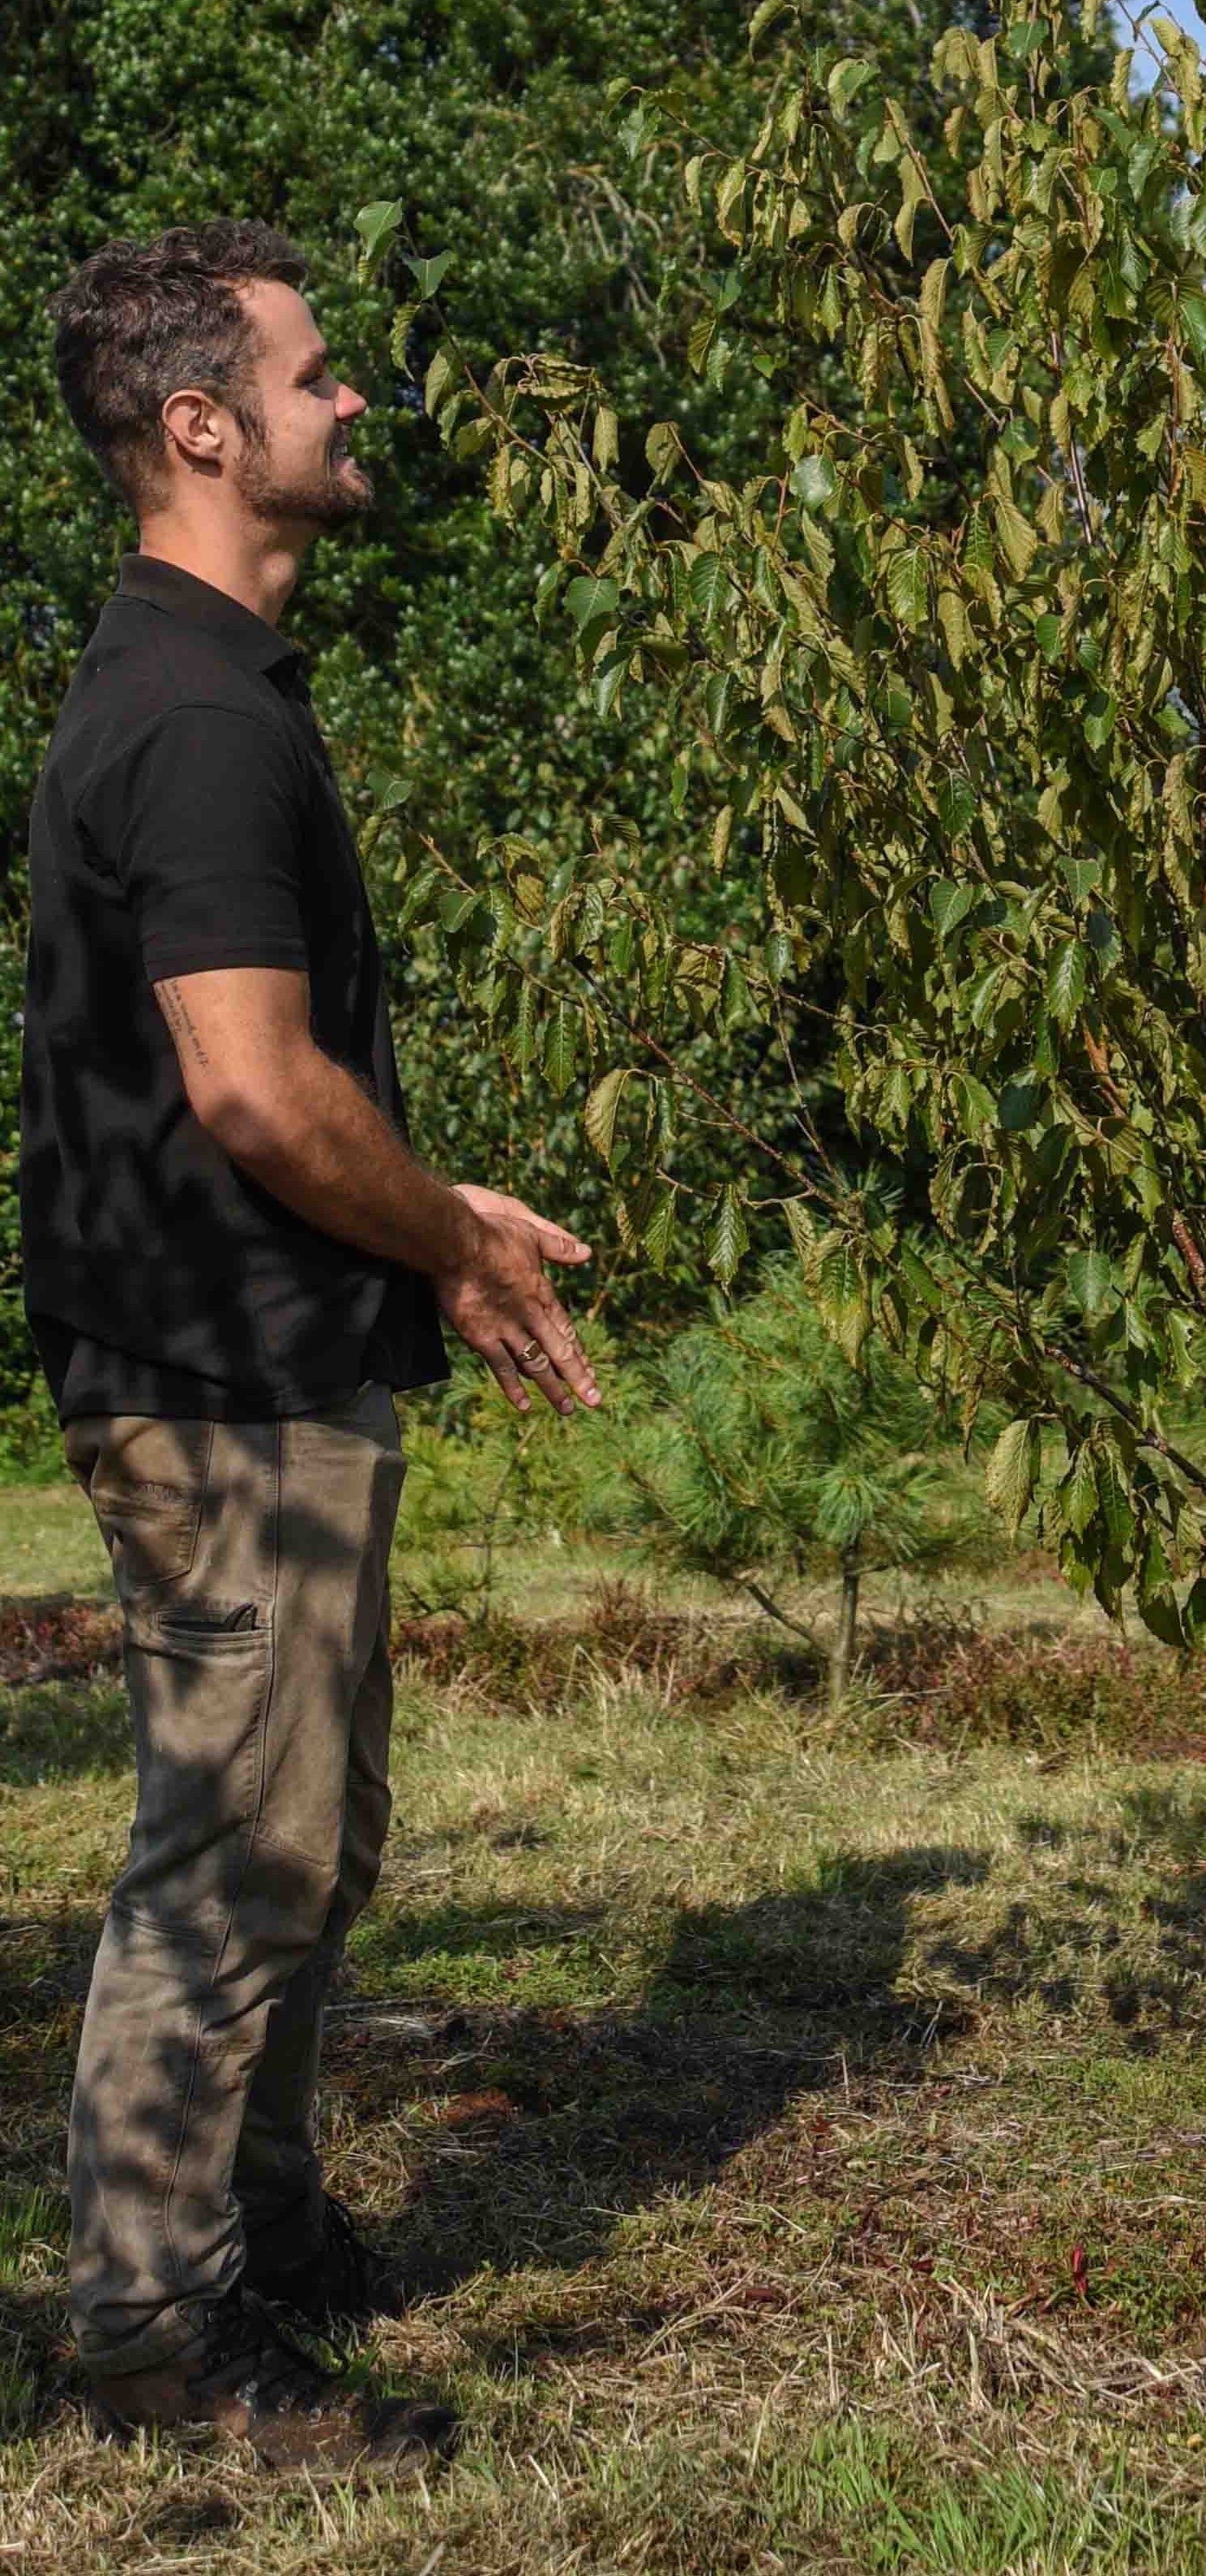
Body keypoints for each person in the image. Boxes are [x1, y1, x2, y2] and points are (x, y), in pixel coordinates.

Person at [19, 220, 602, 2470]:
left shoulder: (206, 686)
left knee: (309, 1835)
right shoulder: (192, 722)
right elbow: (254, 1088)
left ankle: (259, 2233)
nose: (355, 402)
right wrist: (447, 1230)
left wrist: (416, 1250)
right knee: (233, 1858)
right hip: (214, 1379)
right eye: (317, 372)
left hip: (257, 1362)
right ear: (200, 423)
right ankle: (157, 2346)